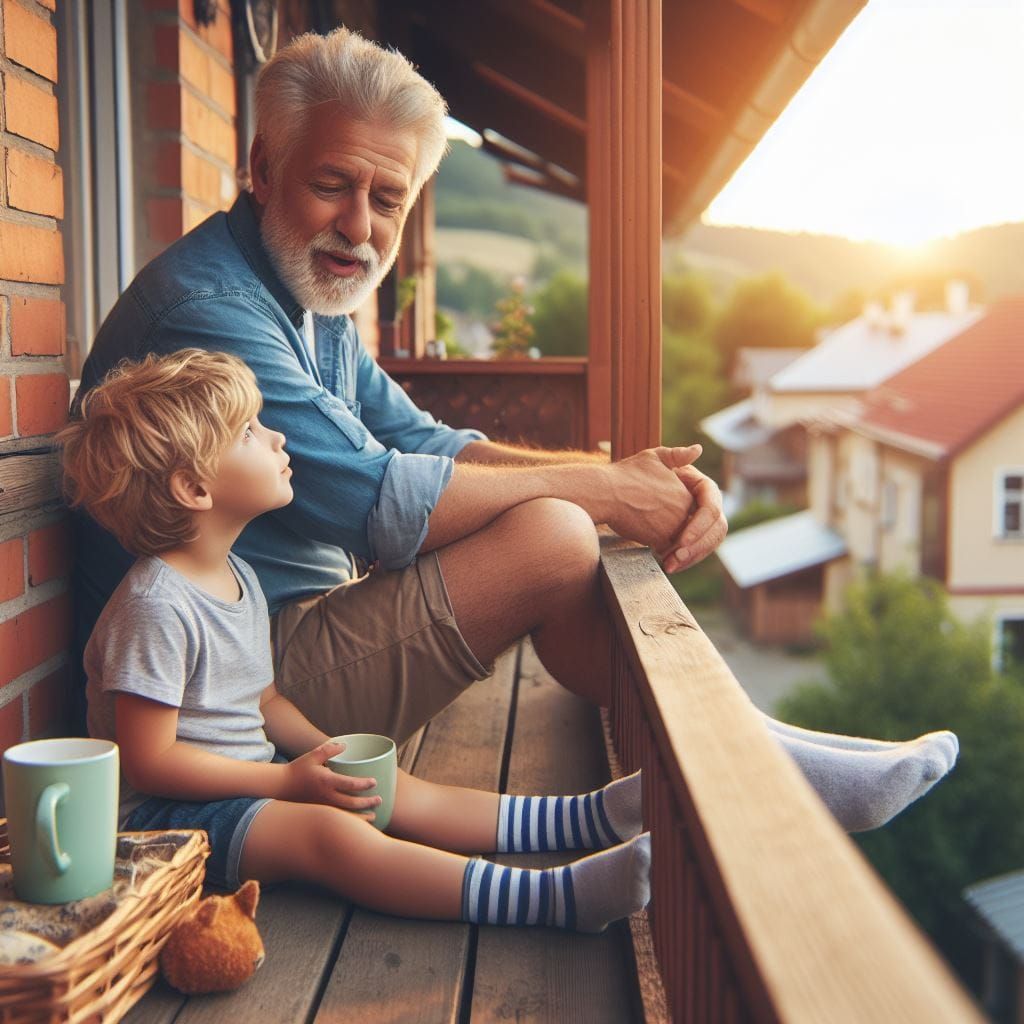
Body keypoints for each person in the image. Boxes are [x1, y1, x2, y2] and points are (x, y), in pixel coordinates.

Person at [71, 28, 956, 834]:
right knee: (555, 534)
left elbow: (424, 439)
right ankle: (749, 764)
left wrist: (625, 476)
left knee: (567, 514)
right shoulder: (217, 313)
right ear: (263, 168)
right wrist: (601, 492)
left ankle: (749, 747)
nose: (359, 227)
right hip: (218, 692)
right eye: (332, 184)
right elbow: (379, 502)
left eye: (389, 198)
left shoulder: (308, 297)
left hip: (267, 643)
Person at [59, 349, 651, 931]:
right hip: (170, 823)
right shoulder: (155, 606)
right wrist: (284, 781)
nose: (276, 439)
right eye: (248, 432)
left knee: (389, 788)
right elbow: (150, 761)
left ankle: (590, 817)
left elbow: (263, 703)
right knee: (332, 836)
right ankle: (556, 898)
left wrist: (330, 752)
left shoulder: (236, 574)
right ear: (194, 488)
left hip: (250, 781)